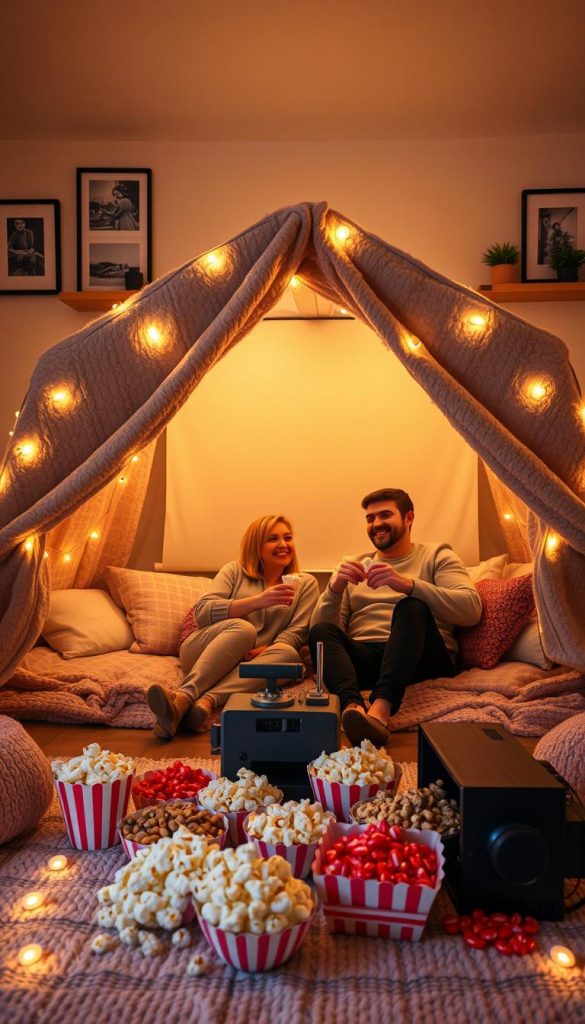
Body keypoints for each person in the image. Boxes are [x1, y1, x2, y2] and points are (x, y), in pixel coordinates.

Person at [309, 488, 482, 746]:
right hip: (369, 659)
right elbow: (324, 632)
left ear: (409, 517)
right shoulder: (355, 564)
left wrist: (409, 585)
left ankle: (380, 712)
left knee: (411, 607)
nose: (376, 524)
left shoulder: (437, 555)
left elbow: (471, 610)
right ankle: (353, 709)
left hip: (422, 661)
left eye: (385, 515)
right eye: (370, 518)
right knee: (321, 631)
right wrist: (335, 589)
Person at [147, 514, 319, 738]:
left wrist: (265, 649)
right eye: (272, 539)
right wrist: (259, 601)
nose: (283, 545)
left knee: (289, 654)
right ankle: (184, 696)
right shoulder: (234, 571)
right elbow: (203, 612)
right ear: (256, 546)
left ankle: (203, 703)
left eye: (288, 538)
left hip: (257, 660)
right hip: (206, 650)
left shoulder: (305, 584)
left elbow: (297, 631)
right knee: (243, 629)